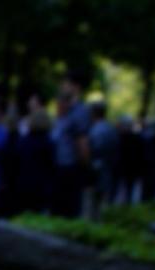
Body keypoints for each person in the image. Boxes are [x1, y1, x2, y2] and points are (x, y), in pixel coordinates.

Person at [51, 71, 92, 218]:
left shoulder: (80, 112)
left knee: (68, 211)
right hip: (60, 168)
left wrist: (85, 169)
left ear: (76, 87)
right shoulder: (64, 111)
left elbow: (82, 142)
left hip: (70, 170)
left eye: (65, 84)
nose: (62, 87)